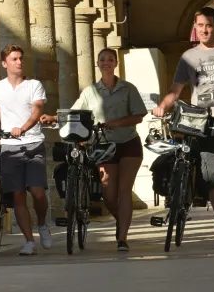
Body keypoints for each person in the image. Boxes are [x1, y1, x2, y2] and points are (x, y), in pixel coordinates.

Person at [152, 6, 214, 249]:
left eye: (208, 25)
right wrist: (163, 107)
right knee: (213, 179)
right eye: (200, 26)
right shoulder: (188, 56)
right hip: (203, 128)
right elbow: (175, 91)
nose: (204, 30)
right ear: (195, 29)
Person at [41, 48, 147, 252]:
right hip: (104, 145)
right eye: (102, 60)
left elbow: (139, 115)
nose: (106, 63)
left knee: (124, 191)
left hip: (128, 143)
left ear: (115, 63)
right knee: (108, 194)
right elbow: (76, 111)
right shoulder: (90, 91)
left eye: (110, 59)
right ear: (97, 64)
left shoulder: (127, 88)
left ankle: (122, 237)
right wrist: (55, 118)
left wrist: (116, 123)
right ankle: (121, 220)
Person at [0, 44, 52, 255]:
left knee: (37, 193)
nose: (19, 62)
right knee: (17, 195)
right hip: (9, 147)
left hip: (33, 143)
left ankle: (43, 223)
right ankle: (29, 241)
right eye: (14, 59)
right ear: (4, 63)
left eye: (20, 59)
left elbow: (37, 111)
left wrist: (23, 128)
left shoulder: (34, 85)